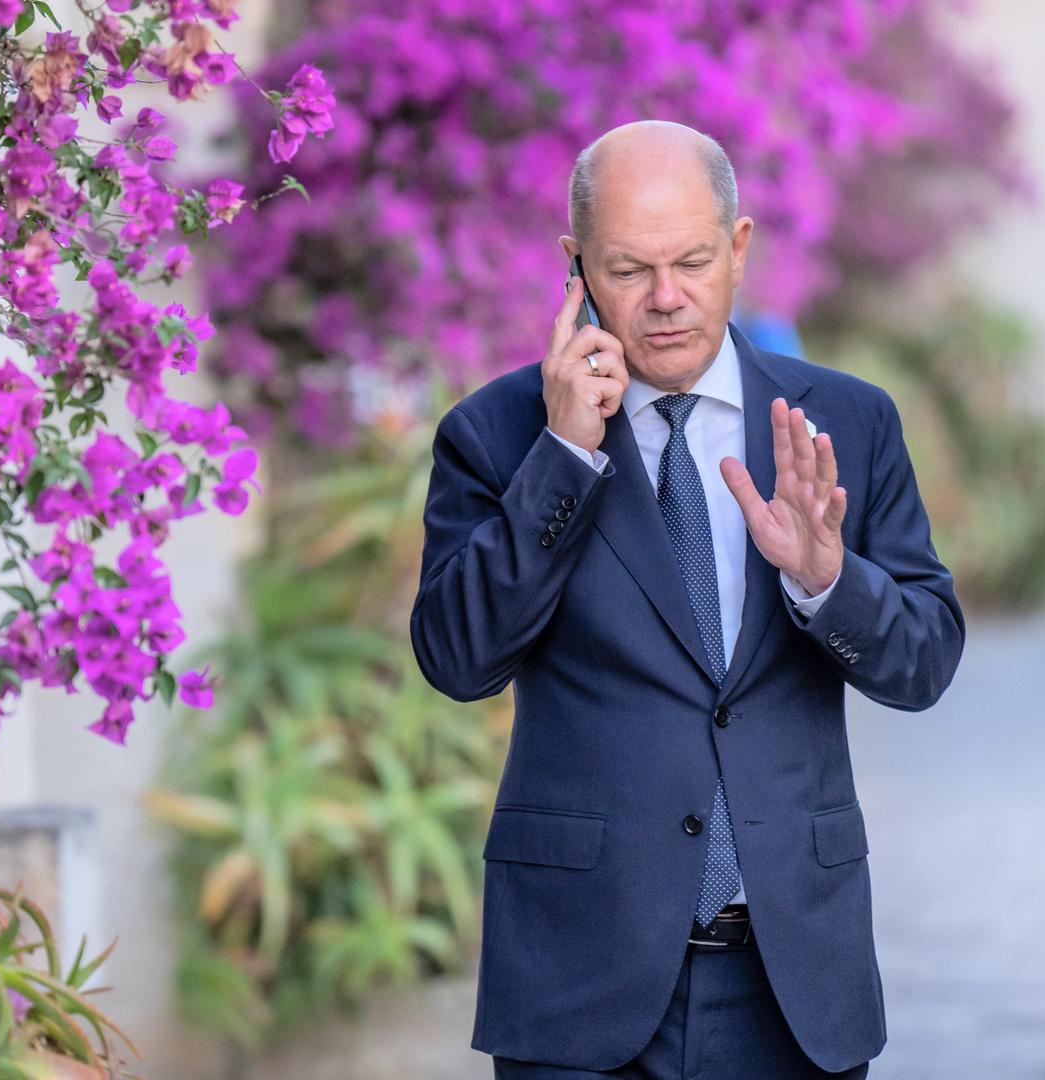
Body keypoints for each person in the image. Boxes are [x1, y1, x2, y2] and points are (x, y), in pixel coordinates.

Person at [409, 120, 966, 1077]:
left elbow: (923, 663)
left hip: (792, 985)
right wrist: (564, 458)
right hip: (578, 980)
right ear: (575, 266)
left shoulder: (847, 423)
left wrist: (825, 579)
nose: (667, 300)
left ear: (739, 249)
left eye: (694, 262)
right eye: (628, 271)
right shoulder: (497, 434)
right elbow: (457, 659)